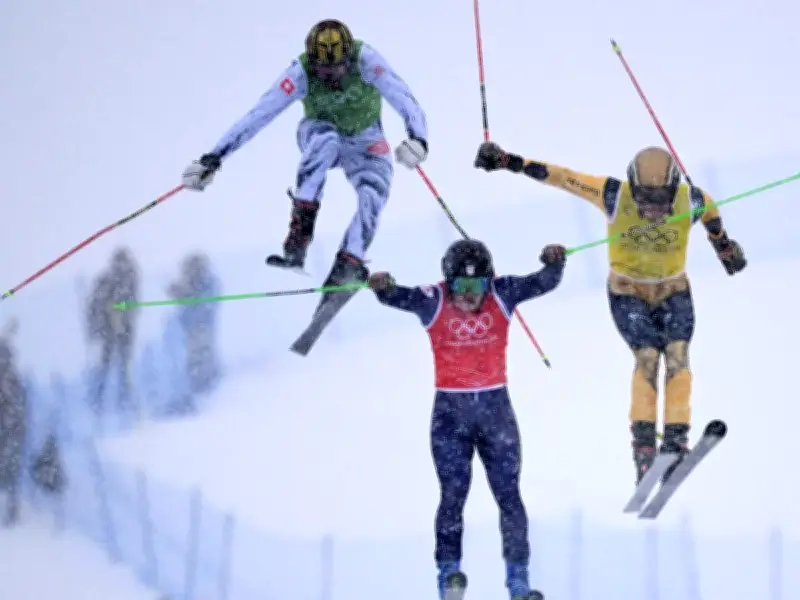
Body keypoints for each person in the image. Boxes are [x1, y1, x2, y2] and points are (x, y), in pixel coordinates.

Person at [474, 142, 746, 484]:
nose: (654, 209)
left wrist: (724, 247)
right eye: (645, 199)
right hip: (628, 292)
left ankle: (675, 445)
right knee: (647, 357)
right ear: (633, 186)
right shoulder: (615, 195)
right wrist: (508, 161)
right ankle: (644, 451)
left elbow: (710, 212)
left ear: (674, 188)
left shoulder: (690, 199)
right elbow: (564, 178)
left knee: (678, 357)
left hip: (674, 290)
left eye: (661, 200)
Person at [369, 239, 567, 600]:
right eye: (460, 285)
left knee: (509, 496)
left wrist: (554, 263)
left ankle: (518, 583)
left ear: (488, 281)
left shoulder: (502, 294)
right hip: (450, 417)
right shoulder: (434, 299)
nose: (468, 295)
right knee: (453, 495)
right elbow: (398, 296)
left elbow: (544, 282)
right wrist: (383, 287)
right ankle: (449, 576)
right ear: (448, 281)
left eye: (476, 286)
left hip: (496, 413)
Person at [181, 19, 429, 293]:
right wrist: (214, 157)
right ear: (313, 62)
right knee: (326, 141)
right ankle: (298, 239)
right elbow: (259, 114)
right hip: (319, 131)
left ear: (349, 58)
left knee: (375, 192)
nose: (332, 75)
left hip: (365, 138)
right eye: (324, 69)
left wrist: (418, 139)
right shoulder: (299, 73)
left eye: (339, 66)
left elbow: (402, 96)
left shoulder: (367, 60)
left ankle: (350, 260)